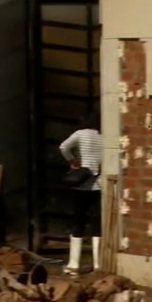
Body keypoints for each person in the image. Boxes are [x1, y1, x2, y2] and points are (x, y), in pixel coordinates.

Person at [59, 112, 102, 274]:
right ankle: (98, 264)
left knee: (78, 221)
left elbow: (63, 147)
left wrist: (73, 161)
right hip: (98, 185)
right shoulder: (103, 136)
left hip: (81, 185)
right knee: (97, 224)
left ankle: (74, 264)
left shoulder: (80, 134)